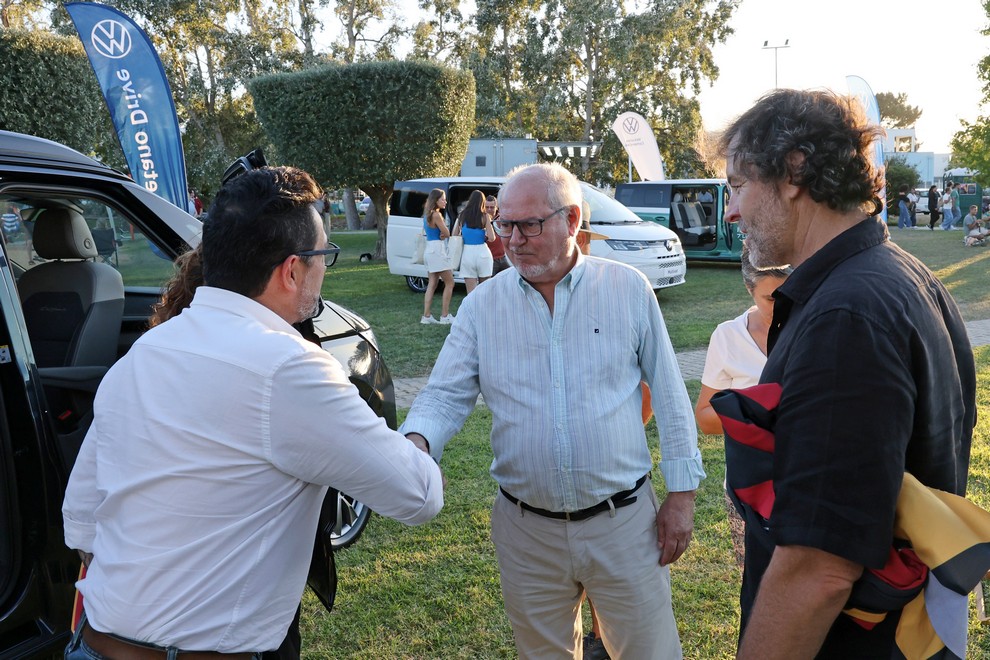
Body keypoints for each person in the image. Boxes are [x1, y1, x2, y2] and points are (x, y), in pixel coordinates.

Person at [62, 166, 443, 659]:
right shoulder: (289, 369)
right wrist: (418, 438)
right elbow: (419, 495)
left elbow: (82, 522)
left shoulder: (143, 353)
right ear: (292, 270)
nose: (325, 268)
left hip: (93, 644)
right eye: (324, 255)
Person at [400, 163, 705, 659]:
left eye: (530, 225)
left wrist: (683, 495)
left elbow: (670, 396)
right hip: (526, 531)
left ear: (572, 220)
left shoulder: (627, 290)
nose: (514, 240)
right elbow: (443, 395)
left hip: (624, 524)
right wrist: (416, 444)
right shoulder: (482, 307)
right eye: (505, 224)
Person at [717, 89, 975, 658]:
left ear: (793, 171)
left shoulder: (846, 315)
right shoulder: (905, 276)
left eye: (737, 185)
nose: (731, 210)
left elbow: (818, 570)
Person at [694, 246, 790, 435]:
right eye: (771, 299)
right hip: (754, 453)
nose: (782, 307)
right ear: (749, 288)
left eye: (789, 295)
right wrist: (758, 408)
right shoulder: (728, 336)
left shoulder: (816, 327)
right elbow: (705, 419)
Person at [420, 188, 455, 324]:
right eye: (443, 199)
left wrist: (442, 233)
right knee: (450, 282)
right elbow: (447, 233)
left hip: (430, 249)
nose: (445, 201)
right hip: (437, 250)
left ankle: (426, 316)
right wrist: (444, 233)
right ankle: (445, 316)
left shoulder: (427, 215)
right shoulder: (436, 215)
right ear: (436, 200)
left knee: (432, 283)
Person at [453, 190, 496, 293]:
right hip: (483, 253)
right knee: (485, 290)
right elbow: (492, 238)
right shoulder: (485, 216)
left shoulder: (462, 215)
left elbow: (454, 235)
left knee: (471, 292)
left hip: (467, 254)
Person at [484, 195, 511, 275]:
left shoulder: (501, 219)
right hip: (490, 259)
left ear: (496, 208)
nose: (489, 209)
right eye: (487, 207)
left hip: (502, 257)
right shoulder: (481, 220)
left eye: (492, 207)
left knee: (511, 277)